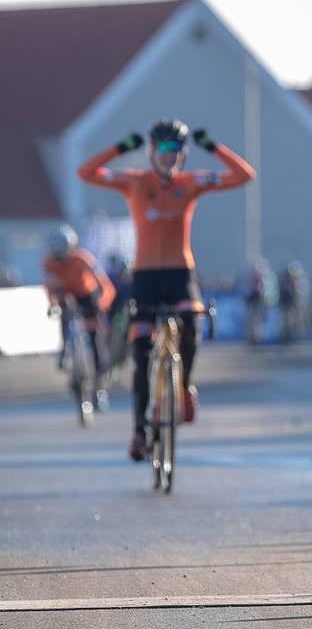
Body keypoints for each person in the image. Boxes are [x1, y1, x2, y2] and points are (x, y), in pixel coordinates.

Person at [77, 120, 255, 461]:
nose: (169, 156)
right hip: (144, 277)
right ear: (151, 152)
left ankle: (184, 386)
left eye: (175, 151)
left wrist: (213, 146)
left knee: (191, 322)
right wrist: (119, 147)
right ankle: (139, 431)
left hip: (179, 274)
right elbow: (85, 173)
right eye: (162, 149)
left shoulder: (190, 184)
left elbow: (244, 175)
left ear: (183, 154)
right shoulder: (134, 182)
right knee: (142, 355)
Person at [42, 225, 115, 399]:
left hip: (86, 296)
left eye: (63, 256)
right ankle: (66, 348)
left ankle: (99, 379)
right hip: (65, 294)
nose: (61, 261)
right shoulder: (48, 262)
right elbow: (49, 287)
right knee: (64, 309)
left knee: (93, 336)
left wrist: (102, 303)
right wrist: (52, 304)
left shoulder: (83, 258)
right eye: (57, 257)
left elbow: (105, 285)